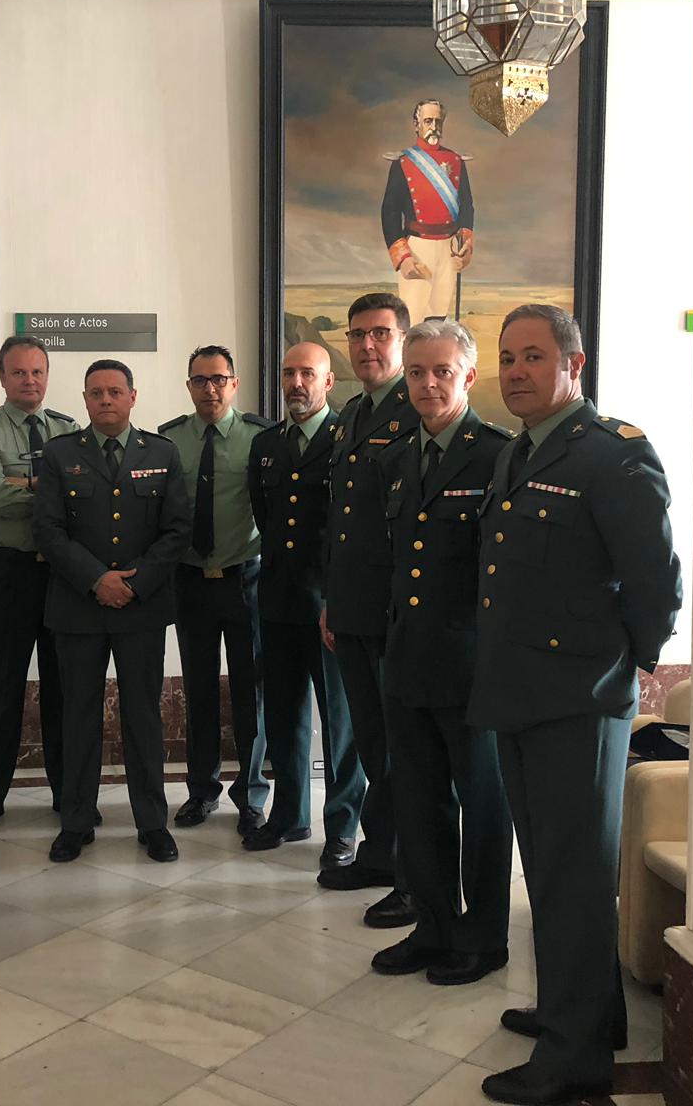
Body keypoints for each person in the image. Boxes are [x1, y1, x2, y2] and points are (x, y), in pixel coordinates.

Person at [472, 304, 681, 1106]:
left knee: (572, 878)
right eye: (508, 358)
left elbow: (657, 586)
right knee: (553, 873)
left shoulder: (611, 456)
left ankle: (575, 1060)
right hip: (520, 693)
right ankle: (580, 1013)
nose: (516, 371)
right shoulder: (520, 452)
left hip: (579, 699)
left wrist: (623, 671)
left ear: (574, 365)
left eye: (533, 357)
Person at [370, 319, 514, 986]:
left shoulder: (499, 456)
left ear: (468, 378)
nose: (428, 384)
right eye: (417, 371)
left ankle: (482, 938)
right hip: (407, 663)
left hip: (473, 668)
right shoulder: (398, 457)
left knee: (483, 805)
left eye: (442, 372)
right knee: (419, 803)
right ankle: (431, 927)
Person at [33, 359, 191, 864]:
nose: (105, 400)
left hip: (140, 609)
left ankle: (153, 823)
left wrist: (135, 583)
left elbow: (177, 530)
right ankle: (76, 821)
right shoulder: (59, 455)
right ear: (84, 400)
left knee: (143, 716)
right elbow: (49, 531)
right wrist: (97, 579)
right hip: (79, 608)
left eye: (115, 391)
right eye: (96, 392)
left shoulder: (162, 453)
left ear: (132, 397)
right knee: (77, 716)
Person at [319, 291, 420, 931]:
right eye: (357, 335)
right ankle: (381, 854)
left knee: (407, 754)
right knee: (374, 746)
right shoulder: (353, 414)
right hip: (352, 611)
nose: (366, 345)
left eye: (380, 333)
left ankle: (415, 878)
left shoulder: (418, 410)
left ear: (403, 339)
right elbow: (343, 522)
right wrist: (331, 599)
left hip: (397, 615)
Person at [244, 341, 364, 868]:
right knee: (285, 717)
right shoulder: (266, 445)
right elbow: (264, 515)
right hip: (276, 600)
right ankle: (289, 816)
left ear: (328, 382)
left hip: (328, 606)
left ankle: (342, 828)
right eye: (289, 372)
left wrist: (336, 598)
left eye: (307, 374)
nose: (296, 382)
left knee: (340, 725)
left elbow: (353, 530)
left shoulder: (348, 440)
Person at [0, 337, 78, 831]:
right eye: (18, 373)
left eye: (37, 372)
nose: (29, 381)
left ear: (47, 376)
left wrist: (24, 484)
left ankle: (68, 792)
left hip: (58, 574)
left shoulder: (68, 428)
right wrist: (49, 486)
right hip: (6, 571)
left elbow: (82, 498)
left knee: (64, 687)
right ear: (2, 378)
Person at [160, 345, 274, 836]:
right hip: (190, 581)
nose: (210, 389)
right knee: (199, 690)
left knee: (251, 693)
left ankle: (250, 796)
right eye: (200, 380)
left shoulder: (260, 437)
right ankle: (201, 792)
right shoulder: (169, 441)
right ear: (188, 386)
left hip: (244, 578)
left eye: (218, 379)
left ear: (235, 383)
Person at [380, 98, 475, 319]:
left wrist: (465, 244)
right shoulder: (403, 164)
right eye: (428, 121)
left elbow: (466, 206)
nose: (434, 127)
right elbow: (390, 212)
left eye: (438, 122)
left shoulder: (456, 161)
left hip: (449, 249)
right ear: (416, 125)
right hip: (417, 248)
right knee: (413, 321)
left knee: (439, 320)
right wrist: (403, 258)